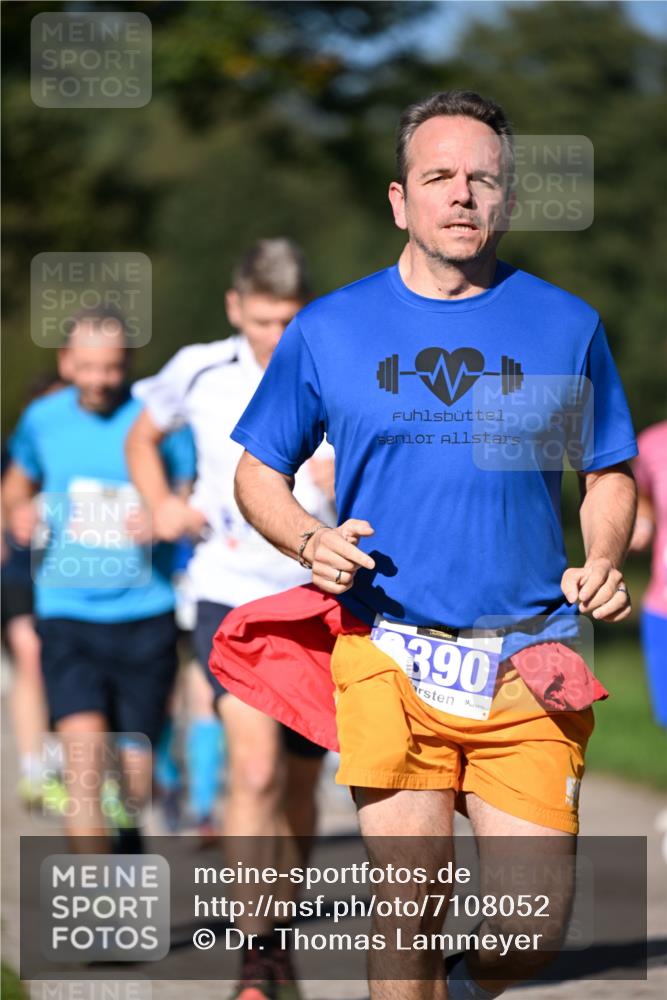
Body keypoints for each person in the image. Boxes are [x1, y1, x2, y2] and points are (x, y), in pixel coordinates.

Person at [219, 91, 638, 1000]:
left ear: (506, 201)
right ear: (398, 199)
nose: (460, 195)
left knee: (532, 925)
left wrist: (601, 555)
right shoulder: (330, 328)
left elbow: (608, 470)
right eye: (438, 177)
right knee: (407, 898)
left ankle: (458, 984)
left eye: (480, 179)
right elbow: (257, 472)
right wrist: (308, 540)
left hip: (530, 654)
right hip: (387, 646)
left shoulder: (565, 325)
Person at [125, 238, 335, 999]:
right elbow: (141, 435)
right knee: (253, 768)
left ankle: (278, 928)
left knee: (303, 790)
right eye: (263, 320)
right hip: (227, 594)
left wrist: (342, 481)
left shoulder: (339, 363)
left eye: (290, 319)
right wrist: (161, 504)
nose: (276, 336)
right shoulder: (201, 369)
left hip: (318, 597)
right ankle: (260, 953)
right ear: (235, 309)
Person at [2, 308, 195, 850]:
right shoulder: (43, 420)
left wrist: (164, 513)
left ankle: (127, 837)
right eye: (86, 367)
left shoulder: (156, 420)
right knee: (84, 770)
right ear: (65, 362)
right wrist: (18, 512)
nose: (99, 380)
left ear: (128, 364)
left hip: (145, 615)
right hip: (67, 613)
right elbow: (16, 485)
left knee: (131, 784)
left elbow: (189, 489)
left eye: (110, 368)